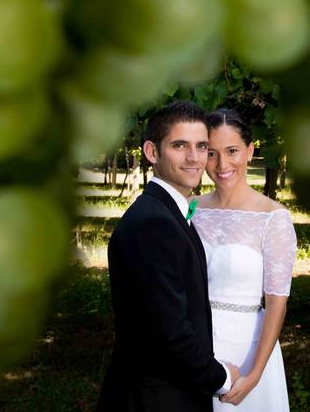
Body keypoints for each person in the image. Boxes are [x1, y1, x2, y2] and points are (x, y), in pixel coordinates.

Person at [97, 101, 239, 412]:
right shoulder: (154, 224)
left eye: (202, 146)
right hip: (157, 398)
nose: (194, 157)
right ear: (152, 152)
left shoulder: (165, 212)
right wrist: (222, 377)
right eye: (179, 145)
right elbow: (169, 333)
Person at [193, 108, 298, 411]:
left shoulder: (273, 217)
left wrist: (255, 375)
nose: (222, 164)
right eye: (211, 153)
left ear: (250, 151)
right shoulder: (190, 209)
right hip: (195, 344)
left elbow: (277, 302)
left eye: (232, 151)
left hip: (246, 350)